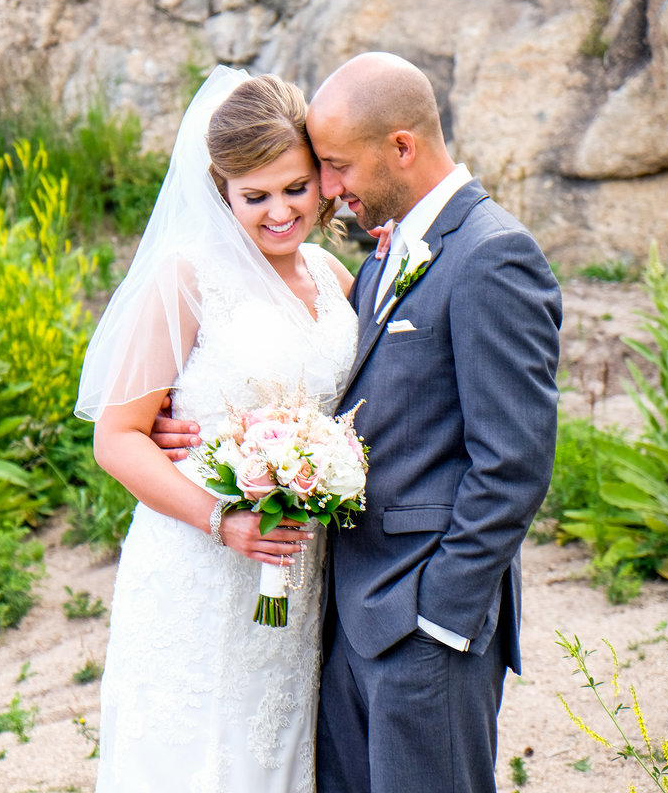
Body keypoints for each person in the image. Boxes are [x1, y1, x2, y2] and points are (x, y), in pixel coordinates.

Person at [152, 52, 563, 793]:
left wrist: (440, 619)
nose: (329, 192)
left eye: (333, 167)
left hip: (422, 624)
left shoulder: (493, 257)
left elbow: (514, 462)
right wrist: (185, 420)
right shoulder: (379, 258)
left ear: (401, 147)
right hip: (341, 614)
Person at [74, 66, 359, 792]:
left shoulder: (334, 279)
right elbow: (118, 438)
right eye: (254, 196)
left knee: (271, 751)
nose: (279, 212)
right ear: (221, 191)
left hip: (296, 567)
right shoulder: (188, 279)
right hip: (199, 569)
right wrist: (221, 518)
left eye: (296, 187)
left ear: (320, 177)